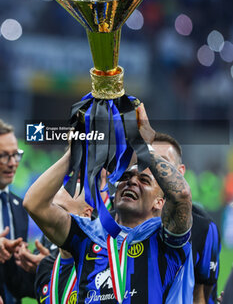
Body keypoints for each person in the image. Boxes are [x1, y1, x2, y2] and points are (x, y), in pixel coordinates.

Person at [23, 104, 194, 303]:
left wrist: (143, 144)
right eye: (125, 177)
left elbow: (181, 194)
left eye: (144, 181)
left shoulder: (165, 240)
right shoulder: (87, 235)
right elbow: (34, 204)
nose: (131, 181)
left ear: (159, 202)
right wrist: (77, 150)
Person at [151, 131, 221, 304]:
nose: (156, 170)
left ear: (180, 171)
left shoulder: (204, 228)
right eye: (150, 162)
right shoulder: (124, 217)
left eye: (162, 163)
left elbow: (202, 293)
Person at [35, 185, 93, 303]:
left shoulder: (99, 261)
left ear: (86, 214)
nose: (52, 218)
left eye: (60, 211)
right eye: (51, 210)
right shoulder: (45, 266)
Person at [0, 119, 35, 303]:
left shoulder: (19, 206)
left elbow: (19, 286)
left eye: (16, 155)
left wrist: (37, 268)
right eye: (4, 156)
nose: (13, 163)